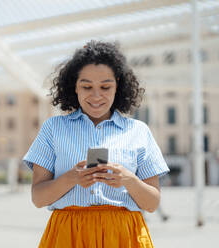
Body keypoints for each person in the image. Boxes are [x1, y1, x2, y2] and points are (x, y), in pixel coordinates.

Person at [23, 40, 169, 248]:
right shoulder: (53, 129)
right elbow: (38, 198)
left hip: (124, 236)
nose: (96, 95)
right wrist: (71, 178)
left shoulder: (139, 131)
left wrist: (128, 179)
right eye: (87, 86)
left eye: (105, 86)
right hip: (68, 234)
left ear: (118, 86)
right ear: (74, 86)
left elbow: (153, 203)